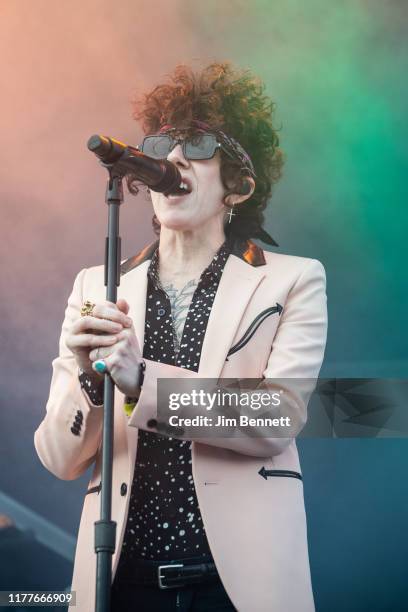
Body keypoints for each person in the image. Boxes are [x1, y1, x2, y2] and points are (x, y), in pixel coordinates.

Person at [34, 63, 328, 612]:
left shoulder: (293, 280)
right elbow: (58, 458)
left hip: (236, 585)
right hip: (119, 581)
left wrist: (141, 380)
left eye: (195, 145)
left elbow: (276, 418)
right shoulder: (97, 284)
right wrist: (90, 383)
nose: (170, 157)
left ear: (238, 187)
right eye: (162, 142)